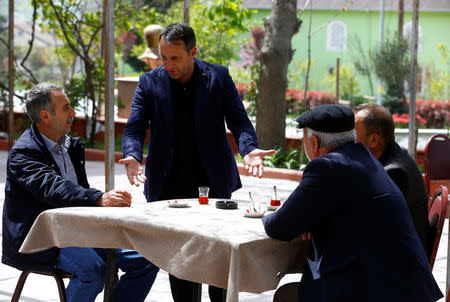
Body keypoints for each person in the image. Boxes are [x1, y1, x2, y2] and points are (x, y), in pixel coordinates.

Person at [120, 23, 274, 302]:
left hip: (212, 180)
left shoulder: (218, 77)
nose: (168, 64)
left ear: (193, 52)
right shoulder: (149, 82)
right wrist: (131, 154)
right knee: (182, 261)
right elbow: (134, 127)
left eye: (175, 58)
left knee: (218, 255)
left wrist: (248, 149)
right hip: (169, 182)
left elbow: (238, 121)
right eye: (164, 57)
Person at [262, 104, 442, 302]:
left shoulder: (327, 166)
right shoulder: (369, 159)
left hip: (376, 291)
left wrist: (266, 216)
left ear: (313, 143)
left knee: (285, 296)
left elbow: (279, 226)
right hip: (404, 287)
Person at [2, 82, 159, 302]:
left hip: (81, 229)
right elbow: (52, 187)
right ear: (45, 116)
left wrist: (105, 201)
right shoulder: (24, 153)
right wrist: (97, 197)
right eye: (66, 107)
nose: (73, 113)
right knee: (93, 271)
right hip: (42, 238)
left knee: (146, 261)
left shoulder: (70, 145)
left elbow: (76, 190)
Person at [353, 103, 429, 255]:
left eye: (353, 135)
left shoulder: (394, 172)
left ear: (374, 140)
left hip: (400, 266)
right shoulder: (389, 158)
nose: (348, 140)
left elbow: (366, 223)